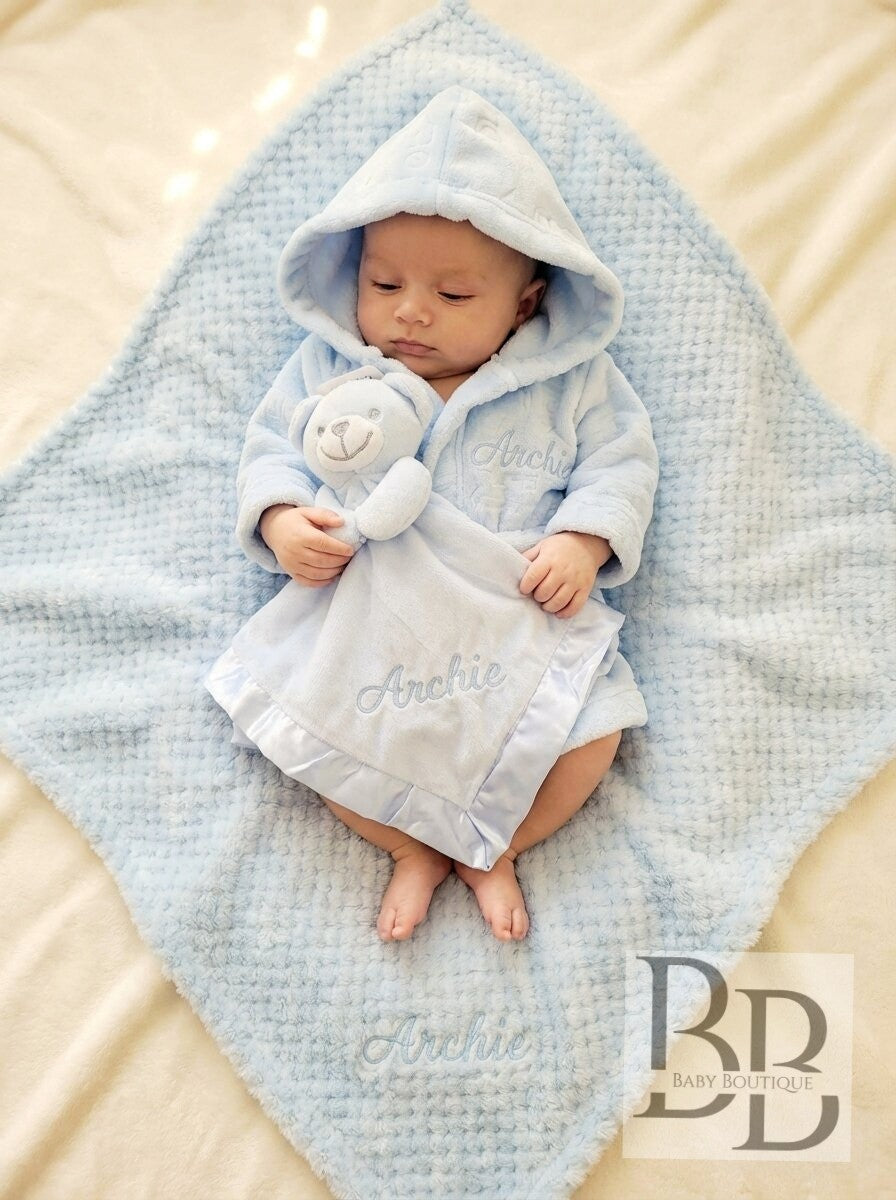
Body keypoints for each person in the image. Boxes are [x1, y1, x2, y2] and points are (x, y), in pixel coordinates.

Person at [232, 86, 659, 943]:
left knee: (594, 734)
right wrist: (279, 519)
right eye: (384, 283)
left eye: (455, 295)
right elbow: (273, 445)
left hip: (515, 608)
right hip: (373, 615)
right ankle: (410, 848)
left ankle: (496, 847)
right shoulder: (331, 366)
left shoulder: (571, 381)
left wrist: (583, 541)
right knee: (315, 735)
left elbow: (621, 462)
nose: (411, 311)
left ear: (526, 305)